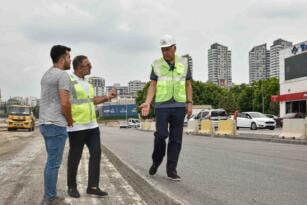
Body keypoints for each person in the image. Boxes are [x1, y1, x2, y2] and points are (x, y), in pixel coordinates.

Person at [139, 34, 193, 181]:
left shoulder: (184, 62)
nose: (165, 53)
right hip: (162, 106)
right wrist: (148, 102)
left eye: (168, 49)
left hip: (179, 106)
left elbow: (188, 84)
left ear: (175, 48)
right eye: (163, 50)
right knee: (161, 135)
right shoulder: (156, 64)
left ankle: (171, 170)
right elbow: (153, 84)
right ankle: (156, 161)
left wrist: (189, 103)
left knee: (176, 139)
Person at [66, 55, 117, 198]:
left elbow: (92, 100)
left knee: (96, 153)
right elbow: (64, 102)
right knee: (75, 157)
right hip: (76, 127)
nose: (91, 66)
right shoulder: (69, 81)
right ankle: (71, 186)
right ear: (78, 67)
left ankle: (93, 186)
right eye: (87, 65)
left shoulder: (87, 83)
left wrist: (108, 97)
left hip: (92, 126)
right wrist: (68, 120)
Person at [39, 45, 73, 205]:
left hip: (45, 123)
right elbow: (65, 104)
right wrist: (70, 121)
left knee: (51, 161)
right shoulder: (62, 75)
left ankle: (49, 195)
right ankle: (50, 198)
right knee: (54, 163)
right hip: (56, 124)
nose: (70, 60)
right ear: (62, 58)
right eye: (68, 57)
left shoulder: (46, 75)